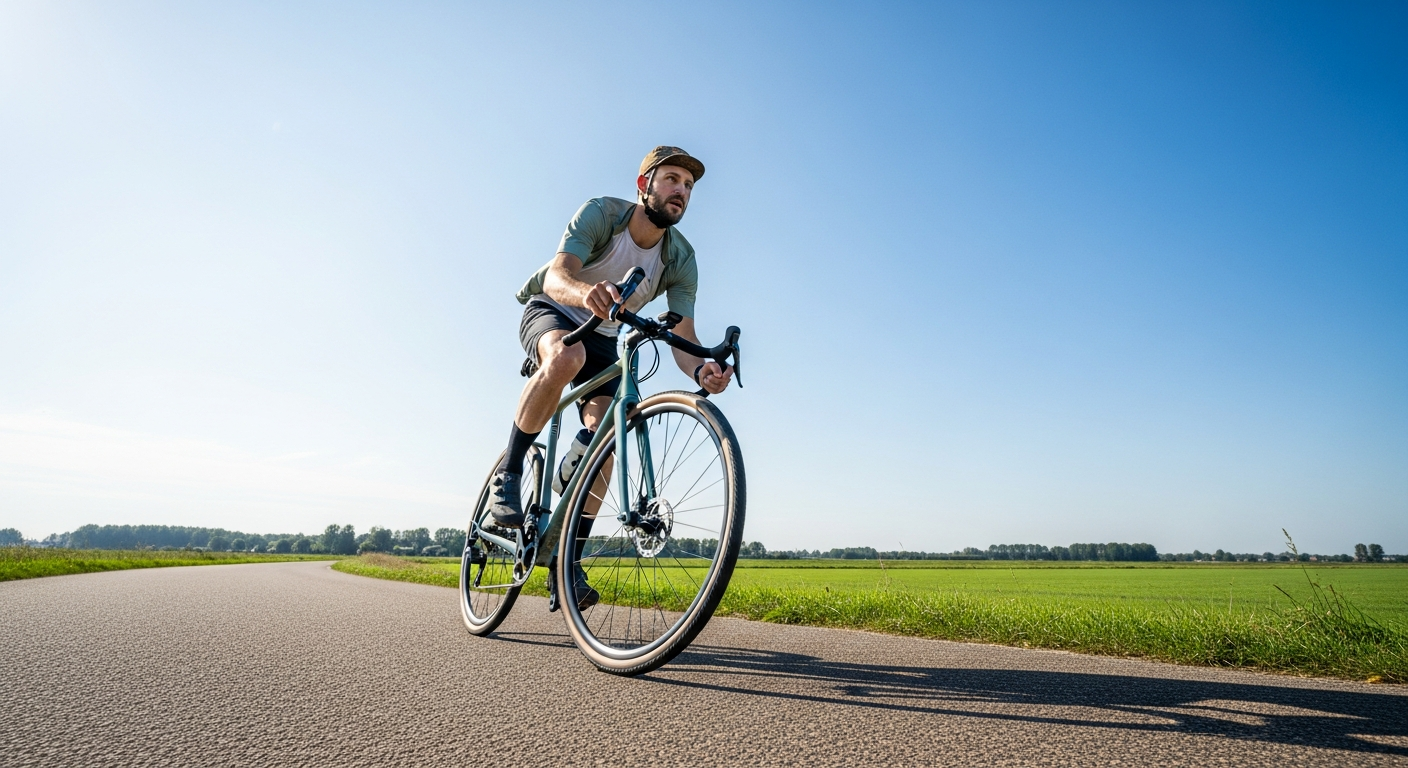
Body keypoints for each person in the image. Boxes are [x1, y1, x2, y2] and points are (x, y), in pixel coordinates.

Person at [487, 146, 734, 605]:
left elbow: (684, 335)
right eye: (672, 179)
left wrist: (703, 367)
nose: (681, 190)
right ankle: (511, 469)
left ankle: (566, 561)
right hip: (555, 308)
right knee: (566, 357)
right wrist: (587, 293)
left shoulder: (681, 259)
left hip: (605, 337)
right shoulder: (602, 213)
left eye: (689, 186)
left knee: (607, 435)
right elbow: (557, 276)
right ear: (644, 185)